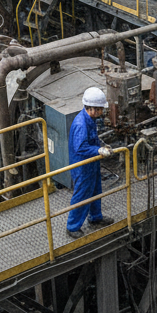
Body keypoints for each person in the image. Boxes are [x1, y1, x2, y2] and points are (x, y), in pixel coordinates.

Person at [67, 86, 113, 239]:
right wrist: (98, 150)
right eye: (99, 109)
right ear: (91, 108)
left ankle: (95, 217)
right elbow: (80, 147)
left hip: (92, 163)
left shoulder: (90, 119)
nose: (101, 112)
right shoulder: (81, 124)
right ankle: (72, 227)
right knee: (82, 194)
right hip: (82, 166)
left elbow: (92, 140)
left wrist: (102, 146)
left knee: (95, 189)